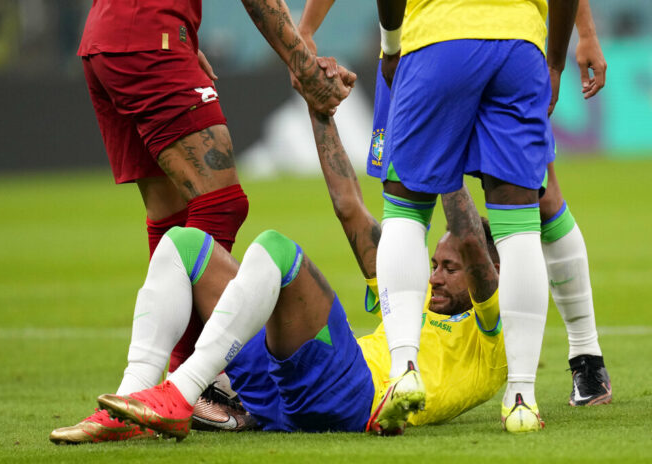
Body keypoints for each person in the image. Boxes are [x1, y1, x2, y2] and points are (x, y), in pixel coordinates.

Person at [51, 112, 506, 442]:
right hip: (288, 389)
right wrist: (319, 106)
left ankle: (181, 392)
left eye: (450, 269)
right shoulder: (407, 294)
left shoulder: (491, 334)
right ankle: (131, 405)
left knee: (276, 249)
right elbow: (349, 204)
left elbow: (470, 240)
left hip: (356, 396)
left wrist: (444, 133)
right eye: (434, 265)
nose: (435, 278)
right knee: (183, 245)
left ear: (490, 272)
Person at [296, 0, 611, 410]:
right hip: (517, 47)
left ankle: (584, 354)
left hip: (427, 42)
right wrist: (574, 42)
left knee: (414, 205)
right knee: (528, 209)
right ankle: (526, 392)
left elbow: (349, 206)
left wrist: (307, 32)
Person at [72, 0, 357, 441]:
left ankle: (145, 394)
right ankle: (192, 382)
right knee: (221, 202)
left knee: (170, 212)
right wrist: (302, 66)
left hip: (105, 39)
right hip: (152, 34)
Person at [370, 0, 579, 433]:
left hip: (436, 36)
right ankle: (522, 397)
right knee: (520, 226)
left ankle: (405, 368)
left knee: (406, 209)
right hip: (520, 45)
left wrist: (392, 45)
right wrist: (554, 60)